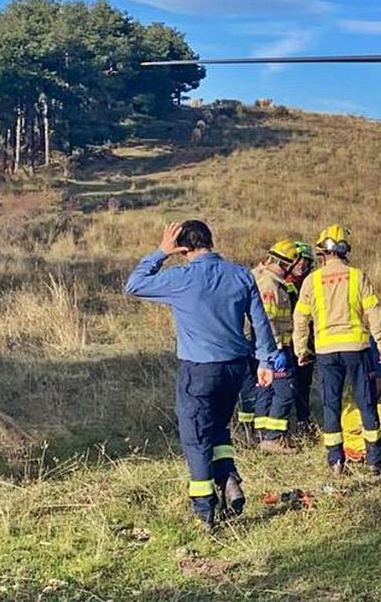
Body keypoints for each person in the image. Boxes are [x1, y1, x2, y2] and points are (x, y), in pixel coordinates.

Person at [125, 221, 277, 529]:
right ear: (210, 240)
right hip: (236, 368)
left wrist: (161, 252)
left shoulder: (181, 277)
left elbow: (134, 285)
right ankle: (229, 478)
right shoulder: (240, 274)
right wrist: (266, 361)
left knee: (195, 437)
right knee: (219, 427)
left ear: (183, 248)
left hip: (199, 370)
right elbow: (260, 323)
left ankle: (204, 510)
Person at [293, 224, 381, 475]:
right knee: (366, 402)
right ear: (344, 249)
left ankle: (336, 462)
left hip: (326, 351)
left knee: (331, 404)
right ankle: (375, 460)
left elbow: (300, 319)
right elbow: (374, 311)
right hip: (356, 348)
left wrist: (301, 350)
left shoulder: (311, 281)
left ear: (322, 251)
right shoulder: (357, 276)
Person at [251, 240, 303, 454]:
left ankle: (261, 434)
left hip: (266, 348)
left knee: (267, 392)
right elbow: (268, 320)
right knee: (285, 392)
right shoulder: (269, 285)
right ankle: (273, 437)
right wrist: (277, 350)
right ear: (287, 263)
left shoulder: (264, 278)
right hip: (274, 347)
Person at [286, 241, 318, 434]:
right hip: (286, 341)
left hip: (308, 340)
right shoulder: (281, 283)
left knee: (303, 382)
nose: (302, 266)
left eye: (306, 262)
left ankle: (303, 420)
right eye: (299, 261)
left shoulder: (312, 282)